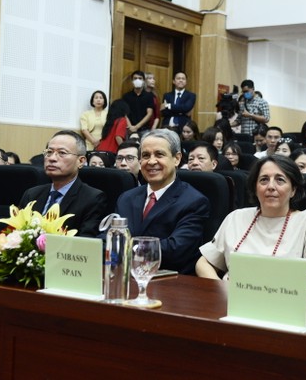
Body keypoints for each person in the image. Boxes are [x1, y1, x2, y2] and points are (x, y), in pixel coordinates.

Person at [196, 155, 306, 289]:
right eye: (264, 180)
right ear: (255, 189)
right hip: (232, 300)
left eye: (280, 180)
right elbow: (204, 262)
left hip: (284, 301)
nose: (270, 186)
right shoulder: (236, 218)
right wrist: (221, 288)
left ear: (293, 190)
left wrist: (267, 289)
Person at [114, 129, 209, 274]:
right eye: (145, 155)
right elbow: (110, 237)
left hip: (170, 282)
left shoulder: (194, 202)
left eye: (159, 154)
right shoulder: (126, 198)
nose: (151, 161)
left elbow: (174, 250)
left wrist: (124, 247)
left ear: (176, 159)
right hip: (126, 277)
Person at [19, 130, 107, 238]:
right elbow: (17, 233)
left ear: (81, 161)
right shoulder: (31, 194)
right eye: (49, 152)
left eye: (62, 153)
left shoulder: (93, 198)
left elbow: (85, 244)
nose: (52, 158)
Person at [122, 71, 154, 137]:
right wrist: (130, 126)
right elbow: (124, 113)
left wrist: (136, 127)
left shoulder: (149, 96)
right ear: (132, 81)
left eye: (140, 78)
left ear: (144, 81)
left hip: (144, 130)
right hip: (129, 129)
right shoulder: (126, 96)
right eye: (135, 78)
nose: (137, 80)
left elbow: (149, 113)